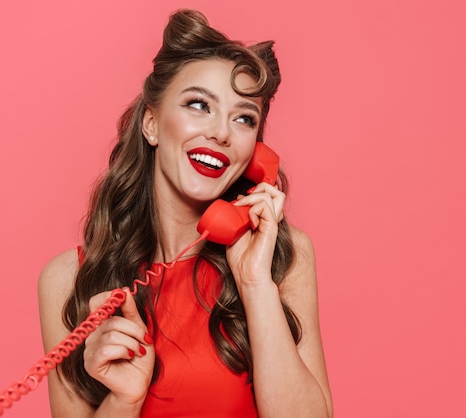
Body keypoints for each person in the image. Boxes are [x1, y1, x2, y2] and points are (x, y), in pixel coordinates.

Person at [38, 8, 333, 418]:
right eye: (199, 105)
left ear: (254, 153)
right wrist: (123, 400)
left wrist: (255, 284)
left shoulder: (282, 258)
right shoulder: (68, 280)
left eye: (244, 118)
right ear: (152, 124)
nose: (222, 132)